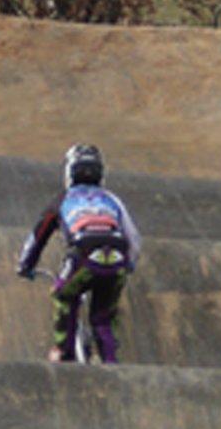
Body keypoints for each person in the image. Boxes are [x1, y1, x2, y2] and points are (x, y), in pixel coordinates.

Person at [16, 144, 142, 365]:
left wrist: (26, 265)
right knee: (103, 318)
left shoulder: (62, 199)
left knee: (63, 295)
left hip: (83, 254)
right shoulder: (112, 199)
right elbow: (134, 238)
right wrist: (129, 263)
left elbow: (37, 237)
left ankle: (64, 354)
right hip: (117, 257)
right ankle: (111, 363)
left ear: (69, 173)